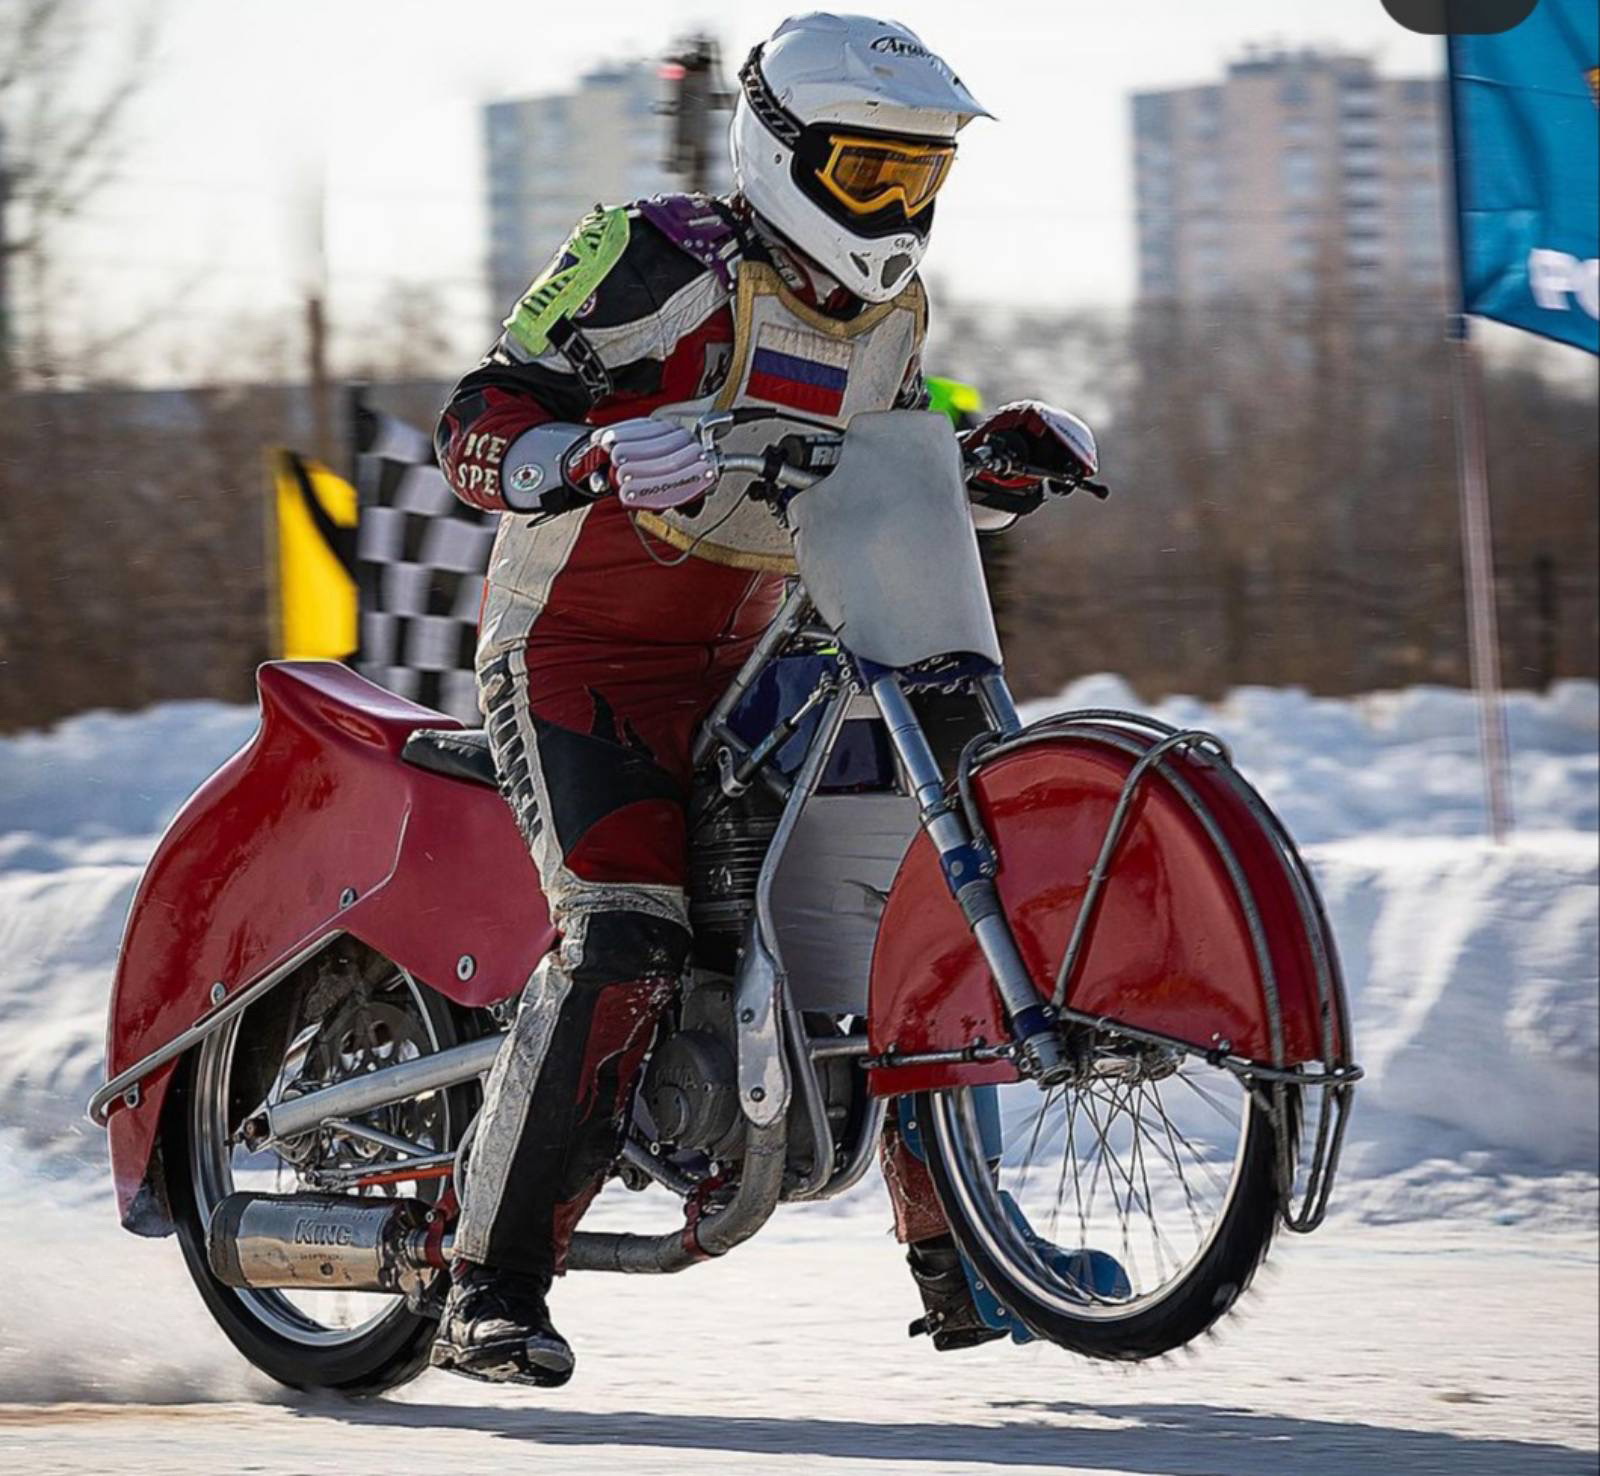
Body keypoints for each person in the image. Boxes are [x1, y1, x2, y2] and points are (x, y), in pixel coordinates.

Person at [430, 12, 1102, 1388]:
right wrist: (595, 455)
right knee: (623, 932)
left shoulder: (896, 312)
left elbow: (876, 455)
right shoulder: (654, 256)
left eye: (920, 180)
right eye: (869, 173)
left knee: (916, 902)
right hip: (579, 662)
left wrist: (986, 461)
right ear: (779, 150)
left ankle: (958, 1252)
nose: (898, 208)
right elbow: (477, 422)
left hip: (756, 664)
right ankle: (488, 1284)